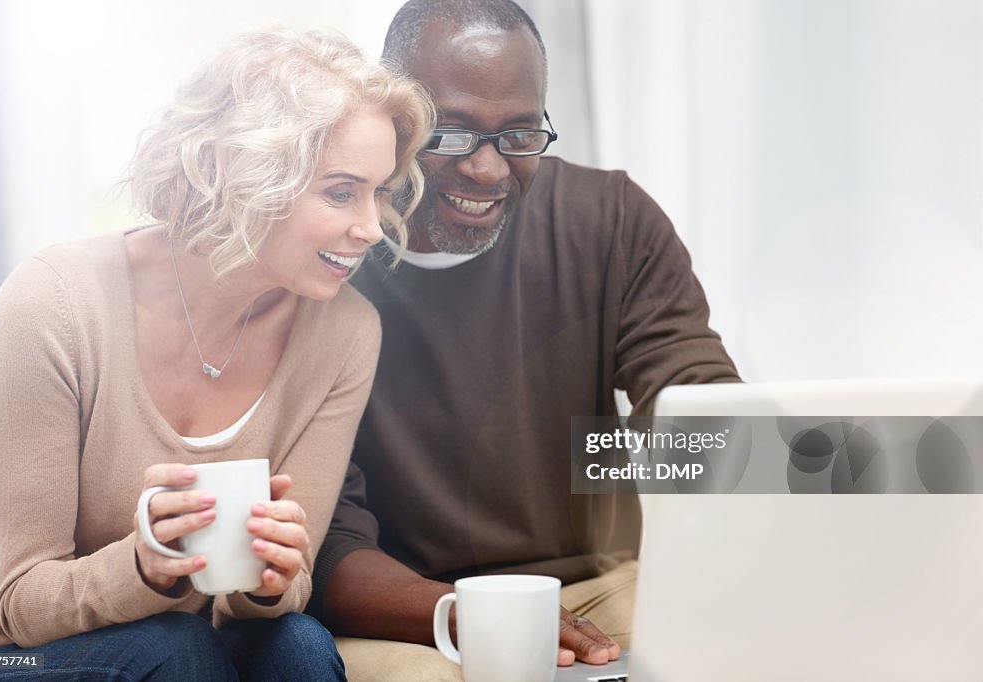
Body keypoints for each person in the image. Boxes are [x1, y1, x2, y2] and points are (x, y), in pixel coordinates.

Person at [0, 30, 433, 679]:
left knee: (298, 643)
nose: (373, 227)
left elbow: (287, 593)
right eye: (343, 191)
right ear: (247, 176)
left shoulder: (346, 331)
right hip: (7, 656)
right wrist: (143, 564)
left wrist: (269, 579)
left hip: (196, 645)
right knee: (173, 649)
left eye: (380, 192)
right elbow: (23, 606)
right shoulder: (54, 302)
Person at [305, 2, 741, 680]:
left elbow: (690, 403)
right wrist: (465, 614)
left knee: (741, 640)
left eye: (519, 134)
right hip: (417, 615)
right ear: (392, 117)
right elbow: (328, 548)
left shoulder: (608, 220)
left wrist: (775, 472)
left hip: (599, 587)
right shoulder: (328, 259)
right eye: (450, 134)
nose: (488, 170)